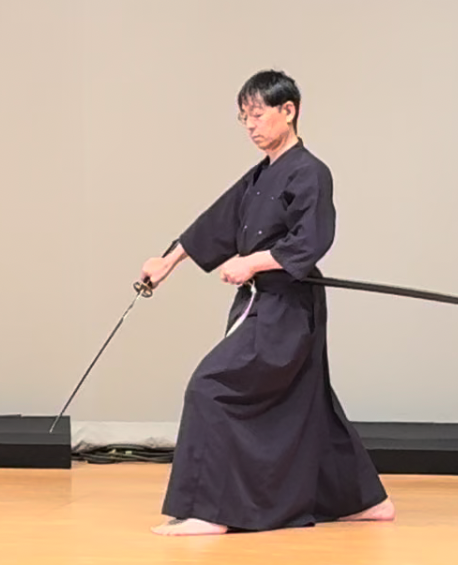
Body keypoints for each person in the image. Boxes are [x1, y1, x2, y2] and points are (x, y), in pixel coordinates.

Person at [140, 70, 395, 536]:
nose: (250, 126)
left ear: (288, 110)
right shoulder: (261, 174)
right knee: (309, 402)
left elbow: (309, 241)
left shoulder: (310, 171)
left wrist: (252, 262)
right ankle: (366, 500)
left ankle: (212, 509)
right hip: (266, 303)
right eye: (244, 118)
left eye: (257, 114)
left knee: (210, 387)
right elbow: (215, 222)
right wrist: (167, 261)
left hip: (286, 309)